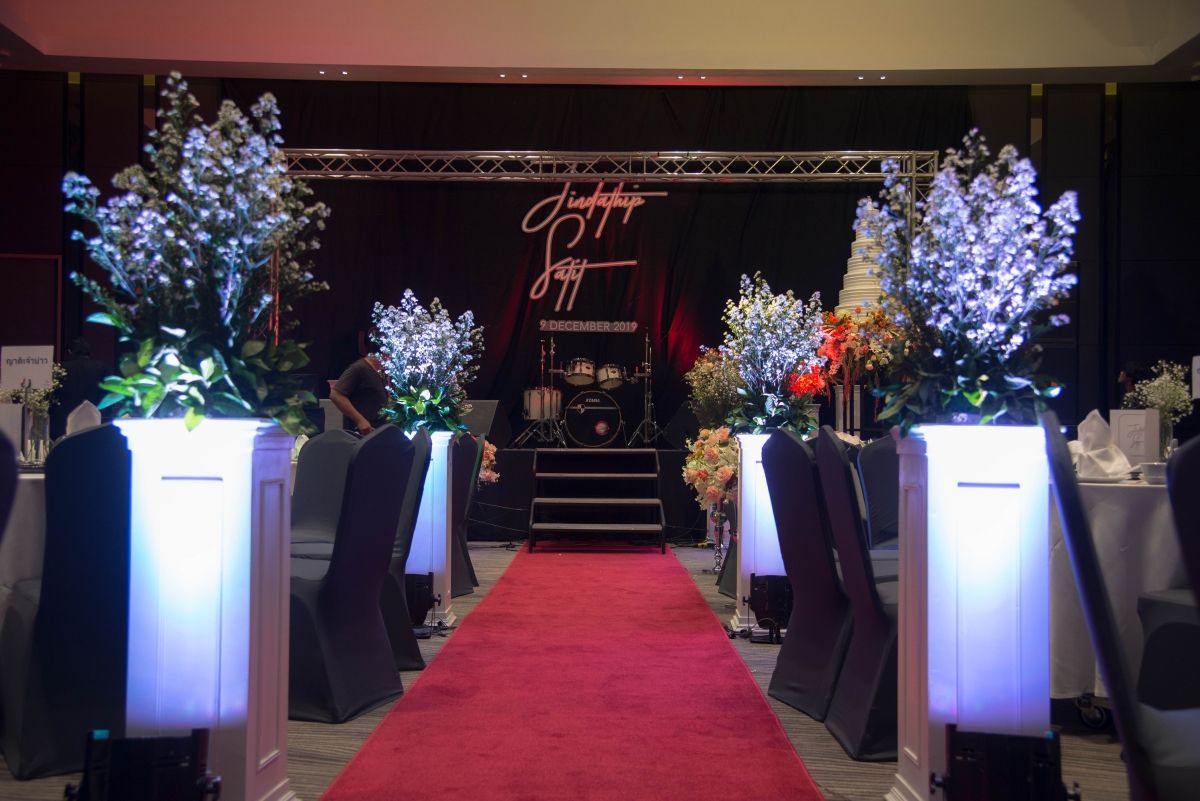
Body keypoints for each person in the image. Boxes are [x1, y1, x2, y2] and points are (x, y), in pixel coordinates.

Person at [330, 353, 387, 435]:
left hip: (380, 430)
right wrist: (360, 420)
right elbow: (336, 395)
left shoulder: (382, 371)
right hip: (363, 432)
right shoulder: (359, 368)